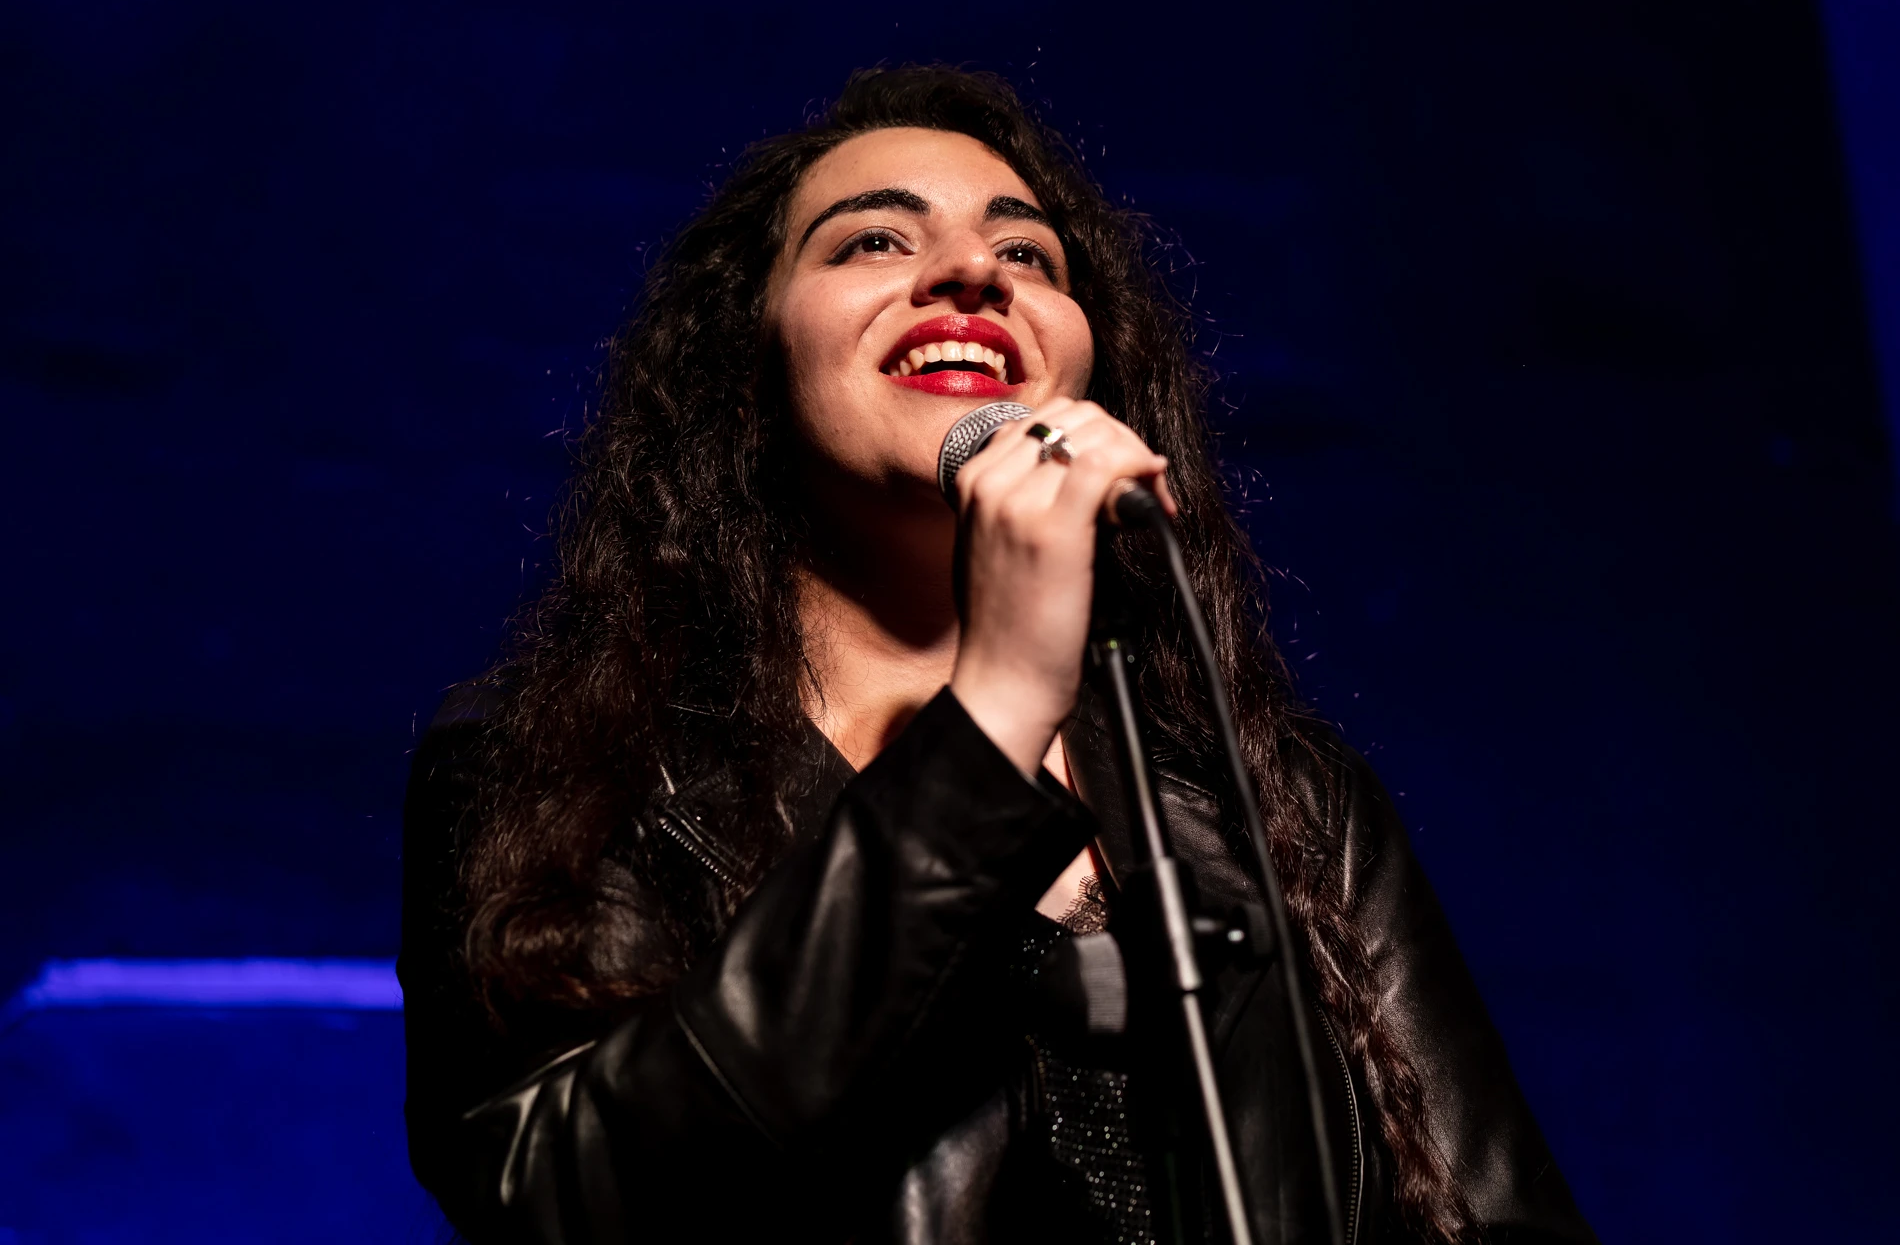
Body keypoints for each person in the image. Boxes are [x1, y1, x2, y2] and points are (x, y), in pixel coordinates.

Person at [400, 65, 1597, 1245]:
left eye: (1027, 256)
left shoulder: (1287, 804)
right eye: (871, 241)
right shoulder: (571, 768)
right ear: (747, 365)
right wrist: (992, 719)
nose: (974, 272)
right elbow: (560, 1196)